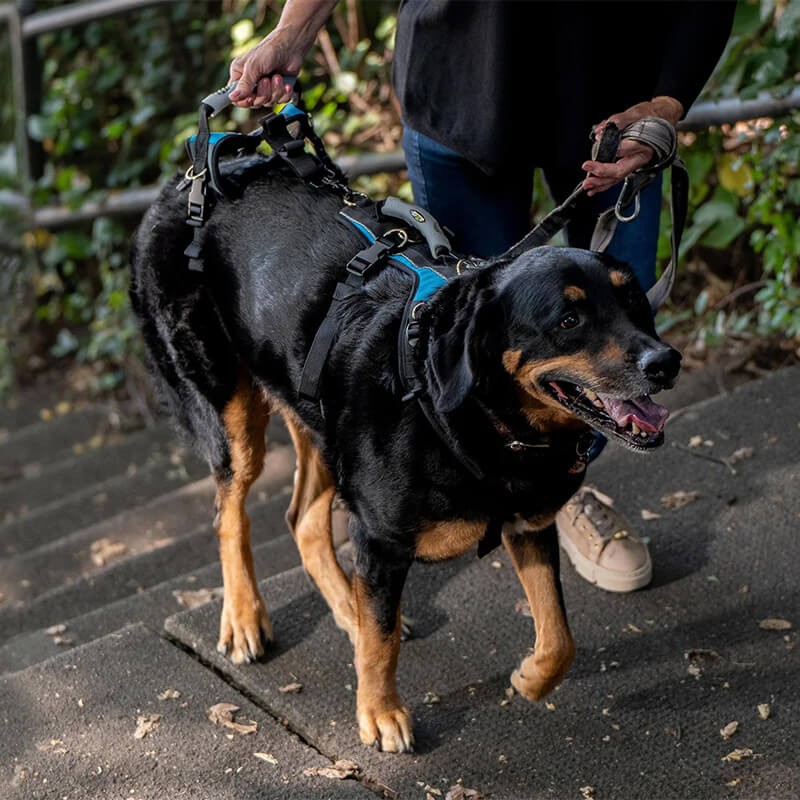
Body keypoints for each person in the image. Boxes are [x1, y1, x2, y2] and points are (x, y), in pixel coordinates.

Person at [227, 0, 737, 593]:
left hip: (621, 106)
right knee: (471, 345)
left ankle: (556, 491)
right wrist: (293, 30)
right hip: (458, 92)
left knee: (621, 330)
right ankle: (522, 498)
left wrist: (667, 103)